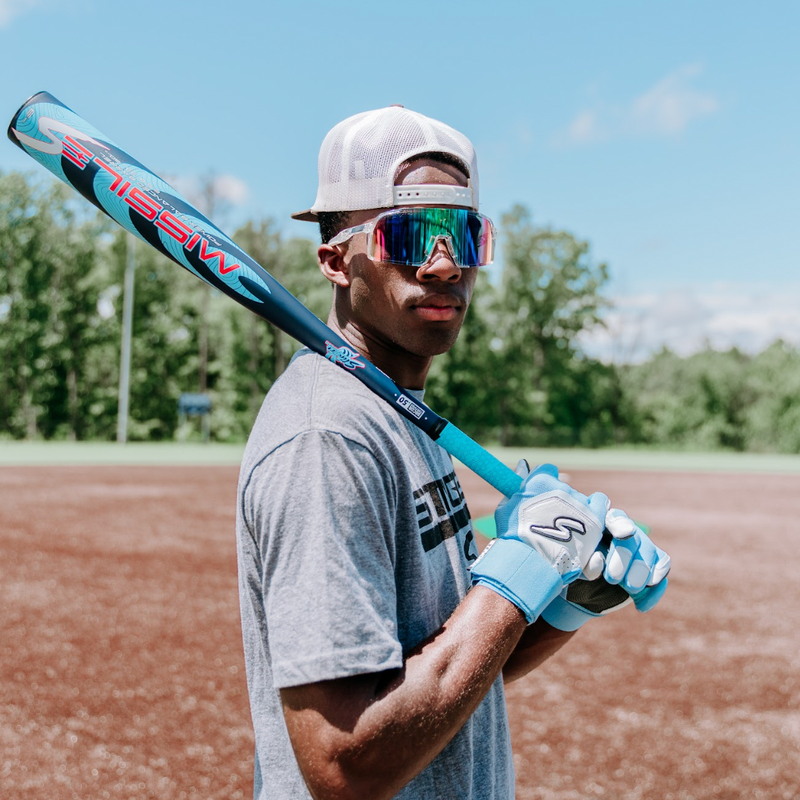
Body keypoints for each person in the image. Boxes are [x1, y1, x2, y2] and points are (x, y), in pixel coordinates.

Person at [235, 105, 670, 800]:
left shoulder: (402, 419)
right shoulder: (330, 438)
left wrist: (566, 601)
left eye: (463, 234)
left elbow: (447, 669)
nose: (443, 264)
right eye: (408, 233)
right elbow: (345, 765)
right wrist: (523, 564)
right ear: (335, 261)